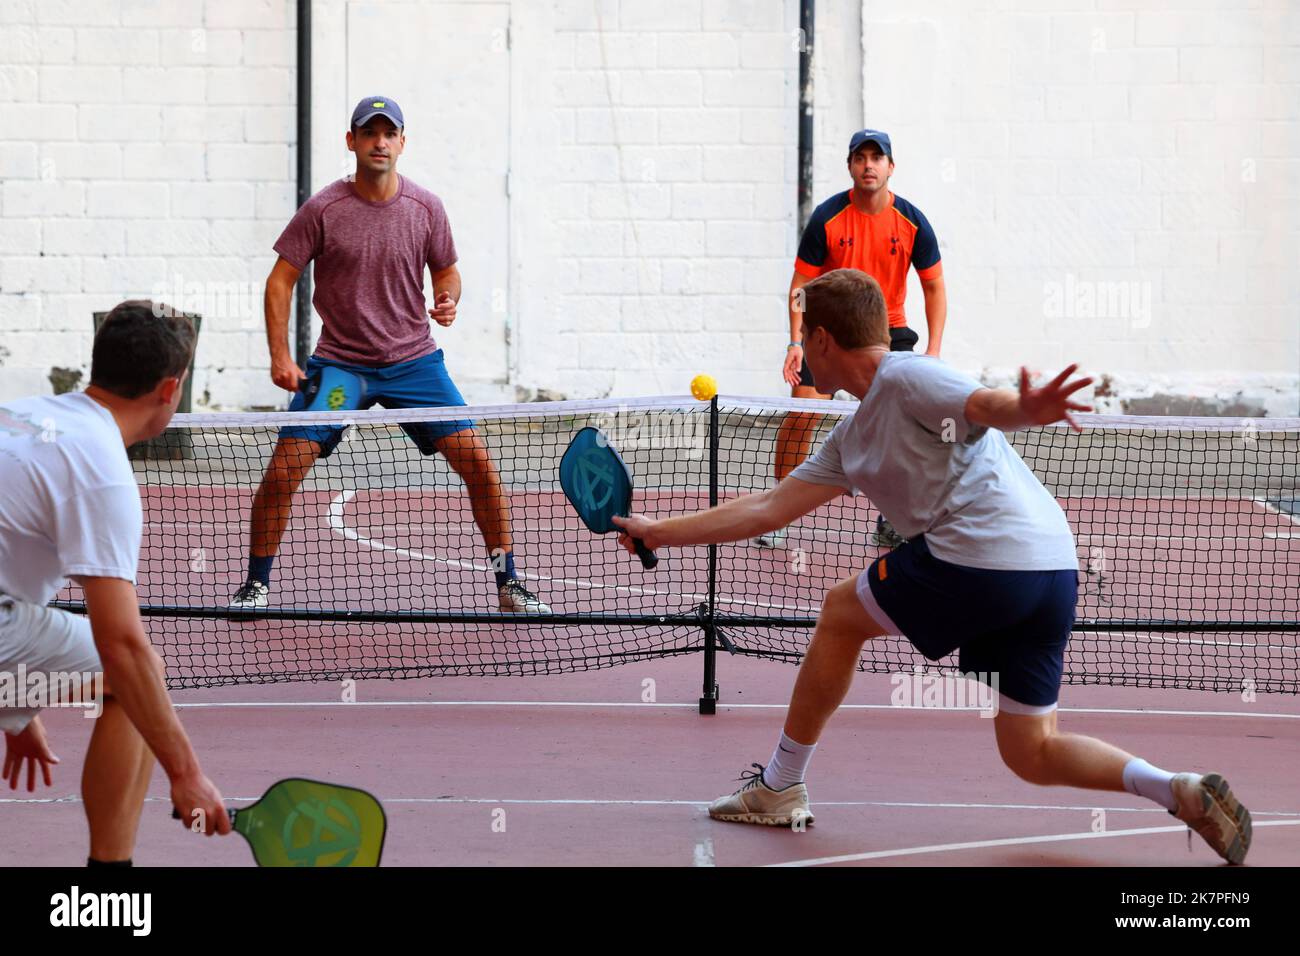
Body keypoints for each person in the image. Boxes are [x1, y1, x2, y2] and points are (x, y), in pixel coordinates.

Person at [614, 269, 1252, 865]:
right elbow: (768, 508)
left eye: (801, 333)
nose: (798, 347)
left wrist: (1026, 410)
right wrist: (658, 532)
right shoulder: (852, 437)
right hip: (1052, 568)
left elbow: (980, 404)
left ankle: (779, 787)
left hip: (980, 556)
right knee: (1031, 751)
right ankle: (1178, 788)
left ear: (822, 338)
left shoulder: (906, 377)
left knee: (841, 612)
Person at [229, 95, 549, 614]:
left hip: (414, 366)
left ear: (402, 142)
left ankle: (507, 582)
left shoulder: (426, 208)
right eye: (369, 132)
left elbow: (446, 270)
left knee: (481, 467)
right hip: (341, 371)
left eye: (389, 133)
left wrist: (449, 298)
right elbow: (279, 281)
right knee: (284, 472)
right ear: (351, 141)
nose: (380, 142)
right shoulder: (324, 209)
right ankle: (255, 585)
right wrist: (279, 357)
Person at [0, 301, 231, 865]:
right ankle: (110, 882)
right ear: (170, 389)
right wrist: (188, 774)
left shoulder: (19, 414)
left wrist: (17, 701)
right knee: (136, 676)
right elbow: (122, 647)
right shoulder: (102, 472)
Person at [758, 129, 946, 551]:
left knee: (902, 423)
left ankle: (893, 518)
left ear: (890, 167)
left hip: (888, 333)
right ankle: (778, 511)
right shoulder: (828, 218)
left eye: (876, 158)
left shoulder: (912, 222)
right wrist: (795, 342)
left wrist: (932, 351)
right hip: (828, 329)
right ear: (850, 166)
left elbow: (934, 287)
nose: (868, 165)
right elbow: (800, 285)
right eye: (860, 158)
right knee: (801, 413)